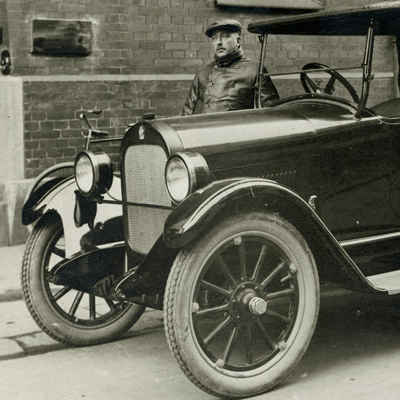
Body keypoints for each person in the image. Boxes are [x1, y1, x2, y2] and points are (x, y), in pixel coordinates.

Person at [181, 18, 279, 115]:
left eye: (225, 36)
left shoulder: (254, 69)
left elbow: (270, 113)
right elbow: (187, 113)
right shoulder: (203, 72)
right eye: (214, 38)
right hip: (203, 128)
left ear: (237, 41)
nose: (219, 42)